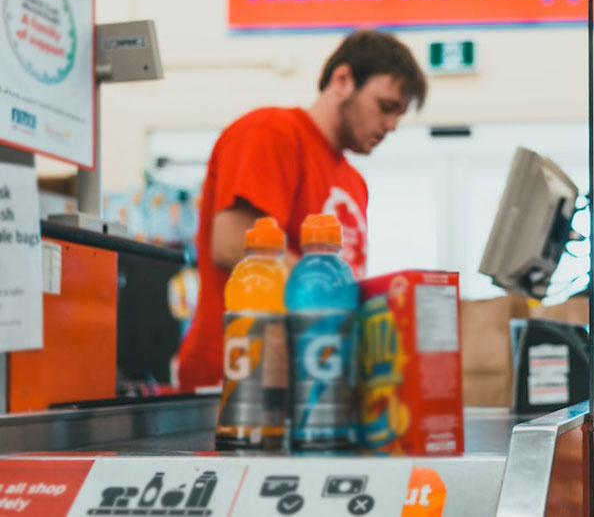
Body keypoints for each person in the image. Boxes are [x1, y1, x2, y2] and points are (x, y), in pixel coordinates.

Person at [177, 30, 427, 390]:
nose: (391, 126)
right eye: (386, 107)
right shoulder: (271, 132)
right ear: (343, 80)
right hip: (239, 380)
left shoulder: (354, 182)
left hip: (312, 382)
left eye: (399, 115)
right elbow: (233, 244)